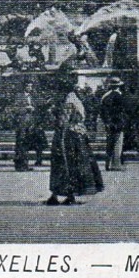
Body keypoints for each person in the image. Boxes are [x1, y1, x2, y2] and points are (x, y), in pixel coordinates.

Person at [45, 78, 103, 206]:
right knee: (69, 164)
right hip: (75, 135)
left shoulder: (68, 101)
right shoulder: (73, 99)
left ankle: (68, 195)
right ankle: (59, 195)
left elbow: (62, 121)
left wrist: (51, 113)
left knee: (65, 164)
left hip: (67, 136)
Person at [99, 77, 126, 171]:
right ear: (119, 86)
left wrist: (106, 122)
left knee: (109, 143)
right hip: (118, 123)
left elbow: (102, 111)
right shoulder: (120, 96)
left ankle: (107, 163)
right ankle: (116, 164)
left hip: (108, 123)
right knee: (118, 143)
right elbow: (122, 111)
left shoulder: (105, 96)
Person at [121, 84, 139, 165]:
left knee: (122, 143)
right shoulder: (136, 99)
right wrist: (137, 122)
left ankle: (121, 160)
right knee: (135, 142)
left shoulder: (121, 98)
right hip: (133, 123)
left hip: (124, 123)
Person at [13, 80, 36, 172]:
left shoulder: (32, 97)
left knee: (26, 145)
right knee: (20, 145)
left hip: (29, 124)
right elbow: (15, 109)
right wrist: (26, 109)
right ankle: (20, 165)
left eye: (31, 86)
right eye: (28, 86)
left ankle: (25, 165)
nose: (30, 88)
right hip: (21, 124)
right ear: (24, 87)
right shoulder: (19, 96)